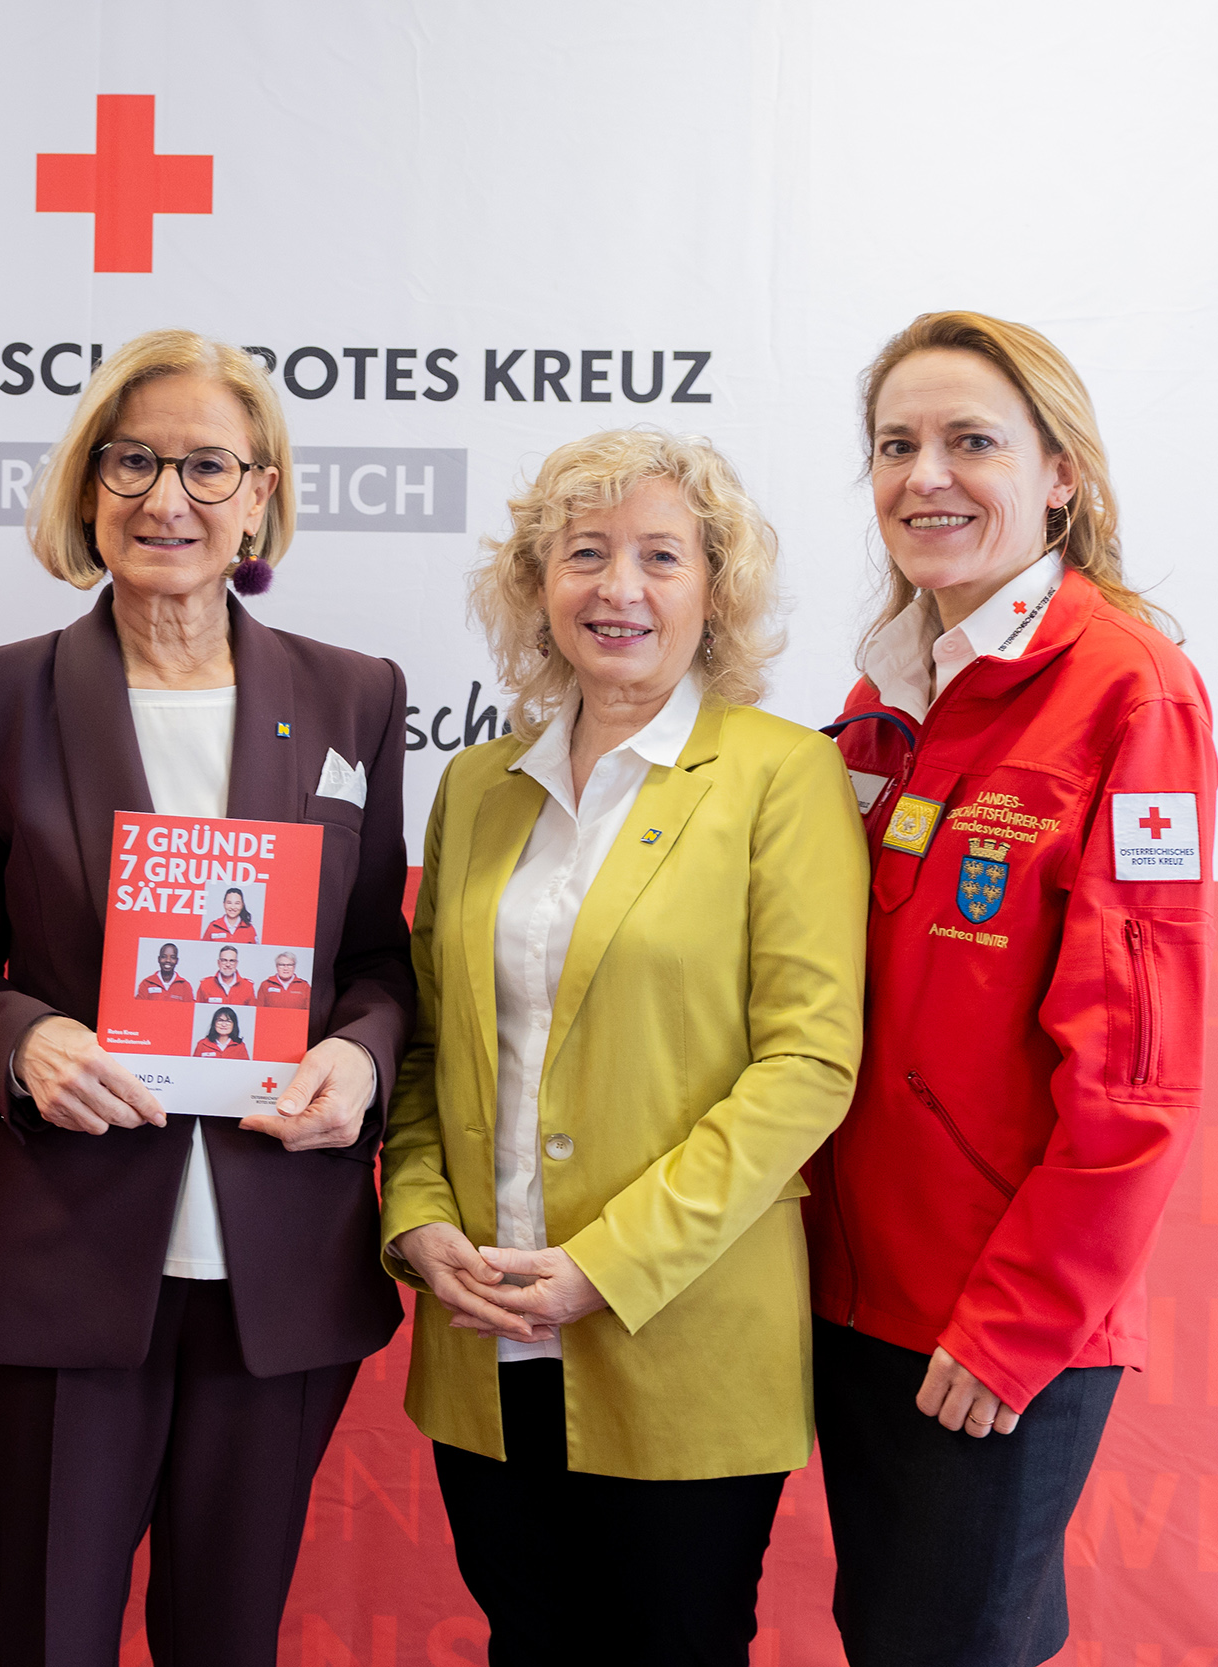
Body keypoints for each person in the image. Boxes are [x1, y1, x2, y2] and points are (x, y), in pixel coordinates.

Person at [0, 329, 414, 1663]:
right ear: (88, 485)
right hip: (63, 1254)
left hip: (278, 1264)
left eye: (206, 466)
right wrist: (22, 1039)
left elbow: (379, 959)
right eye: (132, 461)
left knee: (230, 1639)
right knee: (54, 1637)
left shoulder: (354, 696)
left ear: (261, 495)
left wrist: (362, 1060)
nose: (166, 498)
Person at [382, 430, 867, 1665]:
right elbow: (431, 1043)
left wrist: (602, 1264)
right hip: (487, 1332)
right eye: (584, 553)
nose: (618, 588)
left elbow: (806, 1065)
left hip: (681, 1334)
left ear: (716, 586)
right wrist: (417, 1216)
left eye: (660, 555)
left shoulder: (782, 774)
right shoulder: (476, 784)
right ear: (536, 584)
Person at [805, 313, 1212, 1667]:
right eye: (895, 445)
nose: (925, 475)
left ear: (1060, 475)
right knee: (892, 1634)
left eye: (970, 441)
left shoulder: (1132, 692)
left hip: (989, 1317)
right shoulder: (885, 688)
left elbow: (1138, 1073)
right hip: (852, 1293)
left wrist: (1018, 1319)